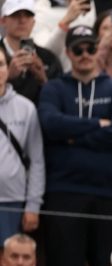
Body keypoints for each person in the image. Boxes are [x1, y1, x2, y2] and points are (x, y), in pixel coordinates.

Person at [38, 25, 112, 266]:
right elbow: (50, 124)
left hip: (109, 191)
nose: (85, 54)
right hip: (64, 190)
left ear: (98, 50)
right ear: (67, 53)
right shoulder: (55, 88)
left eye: (91, 48)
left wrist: (72, 136)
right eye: (78, 49)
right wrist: (96, 125)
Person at [0, 49, 45, 244]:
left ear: (7, 69)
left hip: (13, 200)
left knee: (9, 265)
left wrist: (33, 206)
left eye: (0, 64)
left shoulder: (26, 107)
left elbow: (36, 160)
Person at [1, 0, 65, 103]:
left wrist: (43, 79)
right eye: (15, 15)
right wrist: (8, 77)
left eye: (28, 15)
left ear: (33, 22)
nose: (22, 20)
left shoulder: (48, 58)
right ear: (3, 20)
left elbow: (61, 100)